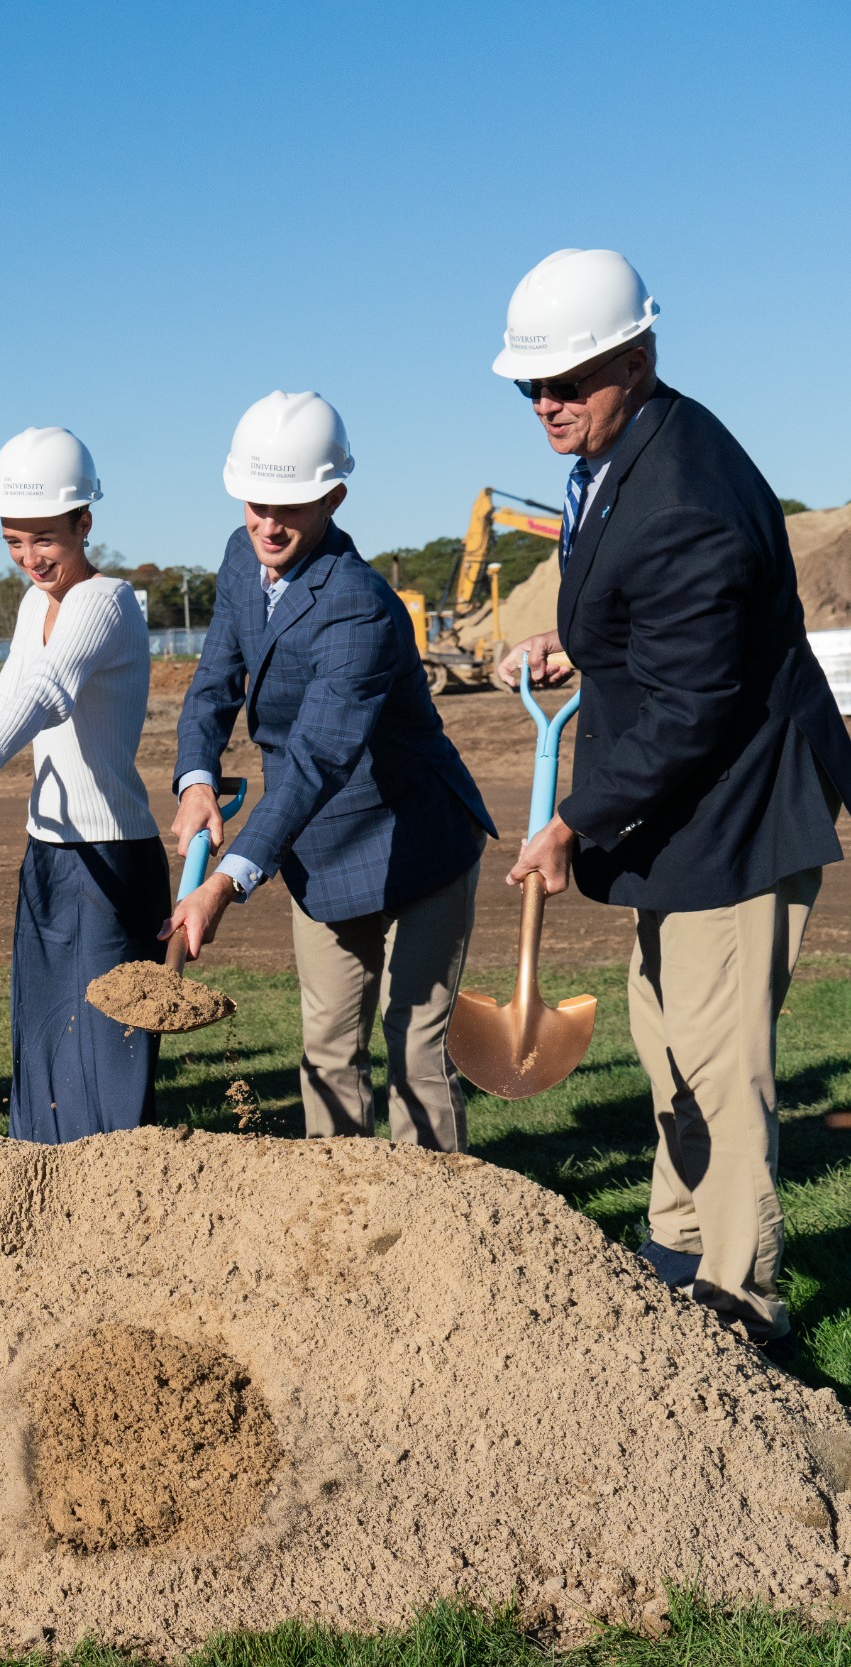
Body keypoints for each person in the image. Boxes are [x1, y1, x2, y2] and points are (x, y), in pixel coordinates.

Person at [491, 248, 851, 1351]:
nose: (547, 403)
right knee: (663, 1042)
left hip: (736, 813)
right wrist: (578, 641)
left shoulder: (682, 494)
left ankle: (745, 1305)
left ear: (636, 357)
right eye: (530, 386)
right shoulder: (622, 447)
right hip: (688, 812)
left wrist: (572, 820)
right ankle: (676, 1246)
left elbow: (693, 708)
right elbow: (655, 631)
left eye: (570, 380)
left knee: (718, 1066)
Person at [169, 393, 495, 1150]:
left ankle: (436, 1235)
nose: (268, 526)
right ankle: (341, 1225)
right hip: (320, 850)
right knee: (327, 1047)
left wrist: (226, 880)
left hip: (416, 842)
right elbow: (216, 676)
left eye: (291, 507)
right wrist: (194, 778)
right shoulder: (238, 556)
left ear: (333, 498)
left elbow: (317, 756)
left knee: (416, 1047)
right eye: (256, 504)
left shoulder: (360, 607)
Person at [0, 429, 165, 1143]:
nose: (30, 559)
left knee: (104, 1049)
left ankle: (116, 1208)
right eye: (13, 542)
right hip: (50, 854)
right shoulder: (36, 606)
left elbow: (55, 692)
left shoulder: (107, 601)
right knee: (43, 1036)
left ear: (84, 522)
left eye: (44, 539)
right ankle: (44, 1198)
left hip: (111, 858)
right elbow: (11, 696)